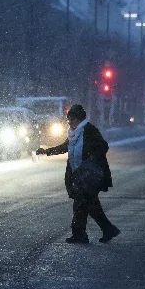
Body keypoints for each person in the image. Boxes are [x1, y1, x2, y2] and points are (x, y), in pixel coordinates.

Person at [36, 104, 121, 244]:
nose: (70, 123)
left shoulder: (89, 130)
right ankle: (105, 230)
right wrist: (47, 151)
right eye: (68, 120)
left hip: (90, 175)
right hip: (78, 175)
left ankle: (81, 234)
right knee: (89, 205)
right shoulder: (72, 133)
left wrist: (90, 157)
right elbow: (65, 147)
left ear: (79, 119)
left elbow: (103, 146)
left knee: (82, 204)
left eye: (72, 120)